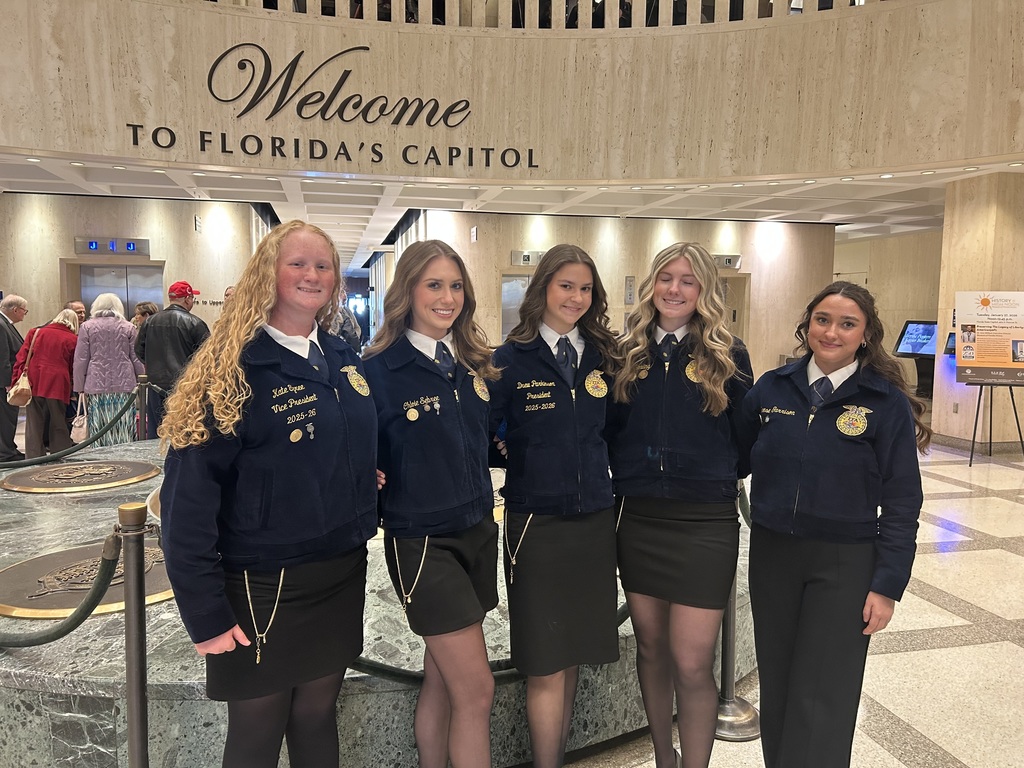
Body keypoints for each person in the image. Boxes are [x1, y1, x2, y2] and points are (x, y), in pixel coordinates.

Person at [159, 220, 381, 768]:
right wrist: (204, 612)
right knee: (257, 732)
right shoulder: (231, 367)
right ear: (268, 273)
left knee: (316, 715)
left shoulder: (339, 354)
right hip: (263, 582)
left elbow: (341, 439)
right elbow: (187, 499)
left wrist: (359, 477)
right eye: (298, 264)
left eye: (323, 266)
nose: (312, 275)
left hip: (338, 568)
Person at [736, 281, 930, 768]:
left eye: (848, 323)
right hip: (774, 555)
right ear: (807, 325)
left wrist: (887, 584)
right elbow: (731, 458)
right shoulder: (772, 388)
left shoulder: (882, 403)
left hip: (844, 563)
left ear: (865, 335)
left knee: (824, 690)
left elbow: (904, 500)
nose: (832, 332)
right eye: (823, 319)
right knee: (778, 683)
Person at [607, 242, 753, 768]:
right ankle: (663, 759)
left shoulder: (726, 353)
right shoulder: (627, 351)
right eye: (666, 278)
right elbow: (610, 429)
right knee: (650, 649)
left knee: (692, 662)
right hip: (640, 517)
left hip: (704, 523)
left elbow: (745, 440)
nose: (674, 289)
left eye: (687, 281)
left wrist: (702, 473)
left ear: (704, 291)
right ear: (652, 285)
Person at [362, 240, 501, 768]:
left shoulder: (470, 365)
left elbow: (484, 437)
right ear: (407, 292)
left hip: (476, 531)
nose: (448, 298)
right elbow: (353, 450)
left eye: (456, 286)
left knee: (443, 678)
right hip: (424, 543)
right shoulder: (377, 372)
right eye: (434, 285)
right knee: (478, 690)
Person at [488, 244, 621, 768]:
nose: (576, 297)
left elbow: (614, 430)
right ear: (542, 287)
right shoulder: (509, 358)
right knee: (545, 661)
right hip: (536, 523)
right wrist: (507, 446)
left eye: (585, 288)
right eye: (566, 285)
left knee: (571, 659)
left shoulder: (603, 356)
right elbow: (484, 430)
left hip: (592, 521)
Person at [135, 280, 210, 438]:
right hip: (185, 388)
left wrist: (153, 366)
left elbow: (139, 351)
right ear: (188, 299)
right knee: (183, 434)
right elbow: (207, 358)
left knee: (156, 433)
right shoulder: (195, 323)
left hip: (154, 386)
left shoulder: (149, 322)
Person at [73, 293, 145, 446]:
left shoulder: (87, 327)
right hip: (125, 384)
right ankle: (125, 452)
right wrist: (143, 378)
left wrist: (79, 386)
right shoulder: (128, 327)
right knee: (123, 422)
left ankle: (101, 456)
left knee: (99, 424)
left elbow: (80, 360)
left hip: (96, 384)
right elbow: (136, 357)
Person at [11, 309, 80, 458]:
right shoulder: (72, 339)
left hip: (34, 380)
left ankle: (34, 456)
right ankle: (59, 453)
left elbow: (22, 357)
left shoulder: (35, 332)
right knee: (58, 420)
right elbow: (73, 365)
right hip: (58, 383)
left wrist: (15, 379)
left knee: (34, 421)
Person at [0, 294, 28, 461]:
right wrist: (7, 383)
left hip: (8, 380)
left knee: (9, 417)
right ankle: (5, 453)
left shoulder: (5, 324)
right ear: (15, 310)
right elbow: (2, 357)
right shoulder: (1, 325)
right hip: (4, 383)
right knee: (5, 418)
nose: (25, 315)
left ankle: (9, 448)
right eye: (24, 311)